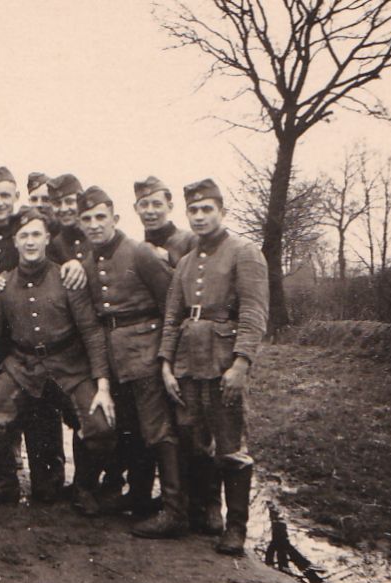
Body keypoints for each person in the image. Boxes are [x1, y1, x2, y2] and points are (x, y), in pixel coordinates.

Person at [0, 209, 116, 506]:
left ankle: (84, 486)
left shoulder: (67, 278)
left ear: (47, 238)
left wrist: (103, 386)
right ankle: (5, 481)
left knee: (100, 422)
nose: (30, 242)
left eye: (36, 235)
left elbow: (92, 333)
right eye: (24, 236)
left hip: (67, 367)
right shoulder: (4, 284)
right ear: (15, 242)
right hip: (23, 367)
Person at [159, 178, 269, 555]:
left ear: (223, 212)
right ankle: (209, 510)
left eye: (208, 209)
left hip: (223, 361)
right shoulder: (186, 262)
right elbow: (172, 317)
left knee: (230, 445)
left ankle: (236, 528)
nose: (200, 216)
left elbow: (254, 311)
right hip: (189, 363)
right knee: (193, 439)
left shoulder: (245, 251)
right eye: (194, 210)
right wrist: (166, 366)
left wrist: (241, 362)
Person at [75, 186, 186, 537]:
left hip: (147, 353)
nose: (94, 225)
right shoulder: (89, 263)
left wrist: (167, 355)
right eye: (87, 219)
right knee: (131, 431)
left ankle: (174, 510)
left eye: (100, 217)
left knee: (158, 431)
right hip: (115, 355)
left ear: (115, 218)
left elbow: (171, 303)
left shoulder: (139, 253)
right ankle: (138, 496)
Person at [134, 175, 221, 534]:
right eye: (144, 205)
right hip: (158, 343)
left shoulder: (186, 241)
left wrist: (165, 259)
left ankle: (210, 505)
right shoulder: (139, 245)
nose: (151, 211)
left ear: (170, 206)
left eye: (157, 203)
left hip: (192, 346)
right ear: (136, 209)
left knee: (197, 427)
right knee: (168, 425)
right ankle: (179, 501)